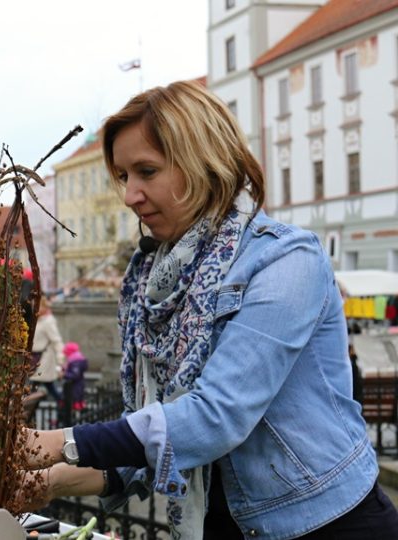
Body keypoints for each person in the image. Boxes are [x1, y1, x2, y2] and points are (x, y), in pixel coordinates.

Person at [22, 81, 398, 538]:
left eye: (146, 171)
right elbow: (158, 440)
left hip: (325, 523)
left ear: (205, 162)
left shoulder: (285, 261)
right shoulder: (154, 279)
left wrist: (58, 443)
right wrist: (48, 482)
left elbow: (213, 418)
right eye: (124, 176)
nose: (130, 195)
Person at [30, 296, 64, 402]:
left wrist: (60, 362)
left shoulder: (48, 321)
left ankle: (63, 407)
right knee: (48, 386)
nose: (34, 308)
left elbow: (57, 341)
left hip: (44, 359)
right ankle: (63, 406)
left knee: (34, 387)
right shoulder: (39, 320)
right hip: (36, 358)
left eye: (36, 306)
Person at [61, 341, 87, 411]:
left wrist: (64, 374)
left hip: (75, 387)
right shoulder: (74, 359)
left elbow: (75, 375)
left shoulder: (76, 361)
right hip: (74, 386)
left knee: (71, 406)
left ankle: (67, 420)